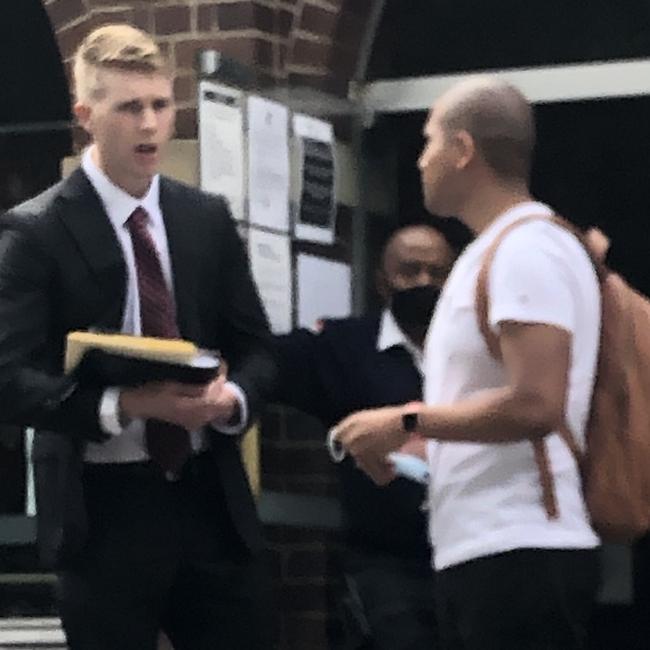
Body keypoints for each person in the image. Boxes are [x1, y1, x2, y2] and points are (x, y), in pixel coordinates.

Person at [0, 24, 275, 650]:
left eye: (159, 104)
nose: (150, 124)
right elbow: (8, 379)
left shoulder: (203, 219)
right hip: (103, 507)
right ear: (86, 117)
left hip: (208, 496)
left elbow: (260, 350)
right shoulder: (35, 231)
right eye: (129, 108)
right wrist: (125, 405)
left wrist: (230, 402)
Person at [332, 76, 601, 650]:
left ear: (463, 151)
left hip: (520, 552)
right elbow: (493, 413)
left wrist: (405, 421)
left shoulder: (528, 247)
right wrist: (410, 451)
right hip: (485, 552)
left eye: (430, 141)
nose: (422, 159)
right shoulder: (492, 252)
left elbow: (535, 404)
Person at [273, 222, 462, 649]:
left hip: (473, 554)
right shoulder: (346, 348)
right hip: (388, 563)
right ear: (381, 281)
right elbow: (267, 363)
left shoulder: (478, 351)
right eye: (409, 271)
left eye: (438, 272)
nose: (423, 283)